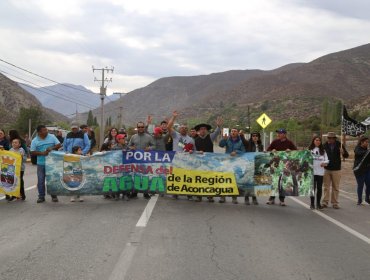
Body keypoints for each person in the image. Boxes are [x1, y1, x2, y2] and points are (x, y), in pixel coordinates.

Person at [193, 117, 223, 202]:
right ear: (199, 131)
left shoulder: (210, 137)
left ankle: (210, 195)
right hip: (199, 163)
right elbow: (194, 152)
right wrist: (198, 153)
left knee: (210, 179)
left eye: (204, 129)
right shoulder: (195, 140)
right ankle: (199, 195)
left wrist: (218, 126)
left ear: (206, 130)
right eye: (201, 129)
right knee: (199, 179)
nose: (203, 130)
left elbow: (217, 132)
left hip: (210, 163)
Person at [167, 111, 195, 200]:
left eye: (186, 128)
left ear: (187, 130)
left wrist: (192, 152)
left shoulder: (190, 140)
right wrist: (174, 117)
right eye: (182, 128)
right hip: (176, 160)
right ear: (179, 129)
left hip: (186, 161)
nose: (184, 129)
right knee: (175, 177)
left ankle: (188, 193)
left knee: (187, 177)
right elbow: (168, 127)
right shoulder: (175, 135)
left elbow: (194, 151)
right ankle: (175, 193)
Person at [30, 125, 61, 203]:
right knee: (41, 180)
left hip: (52, 162)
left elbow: (59, 144)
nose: (46, 131)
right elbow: (32, 152)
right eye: (44, 130)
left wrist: (52, 148)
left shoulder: (52, 136)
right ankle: (41, 196)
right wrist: (42, 153)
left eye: (46, 130)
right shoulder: (34, 140)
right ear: (39, 132)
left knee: (52, 180)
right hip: (41, 163)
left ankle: (54, 195)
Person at [266, 128, 297, 206]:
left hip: (285, 166)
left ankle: (282, 199)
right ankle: (271, 198)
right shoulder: (275, 141)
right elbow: (268, 149)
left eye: (280, 133)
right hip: (275, 165)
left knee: (282, 182)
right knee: (274, 181)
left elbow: (296, 151)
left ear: (284, 134)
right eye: (278, 133)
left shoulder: (289, 142)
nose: (278, 135)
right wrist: (272, 150)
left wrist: (290, 150)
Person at [322, 132, 349, 209]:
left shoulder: (339, 145)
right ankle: (325, 202)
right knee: (326, 187)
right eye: (329, 138)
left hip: (336, 169)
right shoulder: (324, 145)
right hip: (326, 169)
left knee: (335, 187)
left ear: (334, 138)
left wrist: (343, 152)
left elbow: (346, 155)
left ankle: (335, 203)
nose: (330, 139)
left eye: (332, 138)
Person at [219, 127, 246, 204]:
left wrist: (236, 152)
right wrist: (223, 139)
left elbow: (243, 151)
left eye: (235, 131)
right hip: (227, 162)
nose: (233, 132)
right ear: (230, 133)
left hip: (236, 163)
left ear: (237, 133)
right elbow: (220, 145)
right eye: (232, 131)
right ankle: (222, 197)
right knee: (225, 179)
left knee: (234, 180)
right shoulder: (227, 139)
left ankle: (234, 197)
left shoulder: (240, 142)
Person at [128, 122, 154, 199]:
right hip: (135, 160)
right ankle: (134, 192)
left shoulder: (149, 137)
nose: (140, 128)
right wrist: (131, 148)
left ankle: (145, 193)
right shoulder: (133, 137)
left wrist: (150, 148)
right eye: (139, 127)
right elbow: (129, 145)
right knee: (135, 175)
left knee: (145, 175)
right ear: (137, 128)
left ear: (144, 128)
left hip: (145, 160)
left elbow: (154, 145)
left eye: (142, 127)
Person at [308, 136, 329, 210]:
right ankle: (312, 204)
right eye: (316, 140)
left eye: (319, 140)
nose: (318, 141)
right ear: (313, 141)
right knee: (313, 188)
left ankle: (318, 204)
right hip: (312, 172)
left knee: (319, 188)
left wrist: (324, 163)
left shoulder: (323, 151)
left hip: (320, 172)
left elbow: (327, 160)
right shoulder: (310, 150)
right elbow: (305, 159)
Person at [245, 131, 264, 205]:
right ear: (251, 137)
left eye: (256, 136)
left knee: (255, 182)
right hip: (249, 165)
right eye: (253, 136)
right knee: (248, 181)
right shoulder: (248, 144)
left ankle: (254, 197)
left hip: (257, 166)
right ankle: (246, 197)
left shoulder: (260, 146)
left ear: (258, 137)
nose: (255, 137)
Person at [353, 136, 370, 205]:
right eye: (366, 142)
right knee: (360, 185)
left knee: (369, 185)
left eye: (368, 142)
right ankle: (359, 199)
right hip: (359, 170)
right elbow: (359, 153)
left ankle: (367, 198)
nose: (367, 143)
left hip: (367, 170)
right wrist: (368, 151)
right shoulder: (357, 149)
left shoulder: (367, 150)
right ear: (361, 142)